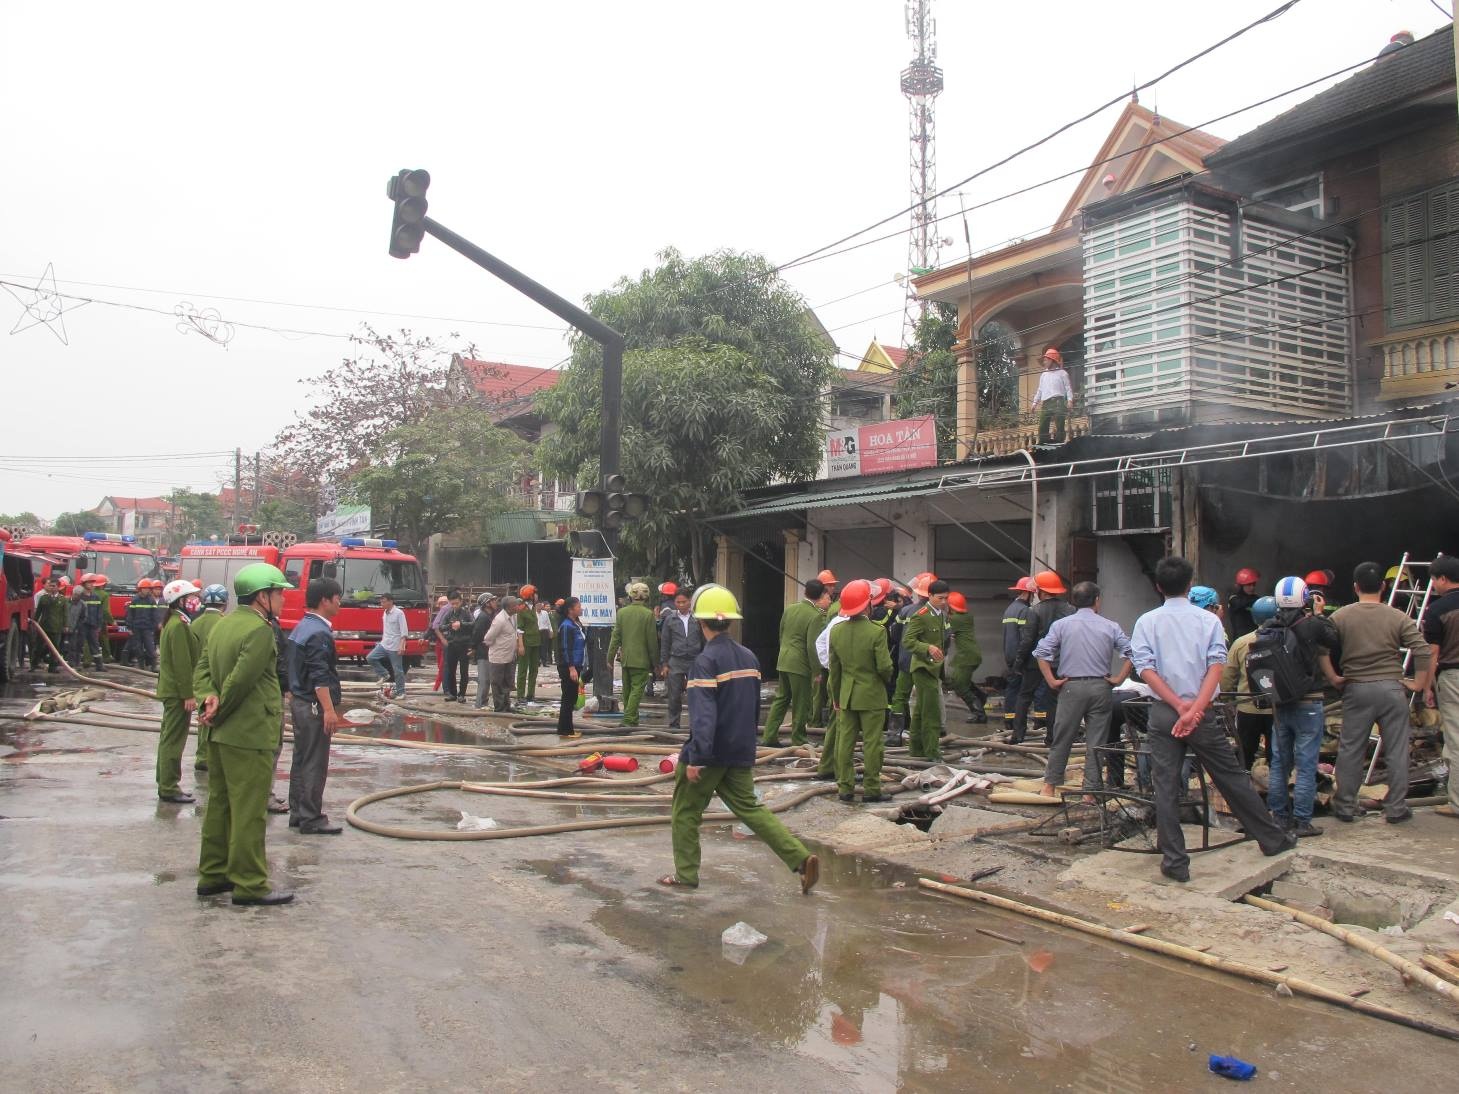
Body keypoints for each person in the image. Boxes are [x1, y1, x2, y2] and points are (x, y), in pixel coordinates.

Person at [1130, 556, 1294, 883]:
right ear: (1189, 585)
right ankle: (1271, 839)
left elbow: (1146, 670)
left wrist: (1178, 706)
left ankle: (1175, 860)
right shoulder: (1208, 622)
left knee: (1165, 784)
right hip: (1201, 712)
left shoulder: (1146, 621)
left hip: (1165, 713)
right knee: (1230, 776)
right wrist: (1194, 709)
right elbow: (1215, 667)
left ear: (1159, 587)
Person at [658, 584, 819, 893]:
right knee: (751, 809)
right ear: (730, 621)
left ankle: (686, 875)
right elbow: (750, 707)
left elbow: (704, 717)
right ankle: (800, 858)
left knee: (685, 812)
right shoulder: (749, 657)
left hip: (712, 753)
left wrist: (696, 758)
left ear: (701, 622)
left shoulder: (704, 663)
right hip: (742, 749)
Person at [194, 562, 296, 906]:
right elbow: (241, 680)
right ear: (262, 597)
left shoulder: (222, 626)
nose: (282, 599)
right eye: (278, 593)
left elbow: (203, 670)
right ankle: (250, 884)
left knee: (220, 807)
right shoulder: (259, 631)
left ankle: (213, 874)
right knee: (249, 811)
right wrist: (218, 708)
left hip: (220, 736)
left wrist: (206, 700)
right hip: (248, 733)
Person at [1330, 562, 1430, 824]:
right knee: (1396, 749)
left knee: (1351, 748)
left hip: (1356, 688)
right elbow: (1422, 649)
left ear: (1355, 587)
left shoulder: (1340, 617)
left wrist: (1333, 678)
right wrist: (1418, 683)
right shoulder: (1398, 617)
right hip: (1391, 688)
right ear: (1383, 587)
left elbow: (1319, 649)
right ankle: (1396, 808)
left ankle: (1345, 806)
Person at [1033, 581, 1132, 798]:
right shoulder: (1110, 626)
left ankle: (1049, 786)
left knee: (1062, 737)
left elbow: (1041, 653)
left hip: (1071, 686)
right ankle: (1090, 791)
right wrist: (1118, 679)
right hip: (1101, 687)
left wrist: (1051, 680)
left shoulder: (1062, 625)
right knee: (1096, 742)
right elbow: (1131, 653)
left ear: (1073, 602)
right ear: (1097, 600)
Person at [1264, 576, 1339, 838]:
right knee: (1306, 765)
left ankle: (1279, 818)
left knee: (1279, 764)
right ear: (1304, 598)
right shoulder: (1312, 626)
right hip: (1308, 703)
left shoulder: (1269, 627)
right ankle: (1303, 821)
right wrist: (1319, 614)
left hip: (1280, 703)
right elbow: (1334, 639)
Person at [286, 577, 345, 835]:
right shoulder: (319, 632)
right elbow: (319, 675)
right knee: (314, 761)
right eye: (337, 598)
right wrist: (329, 710)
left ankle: (298, 812)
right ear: (325, 600)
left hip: (299, 701)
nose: (339, 603)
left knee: (301, 757)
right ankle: (311, 818)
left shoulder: (301, 627)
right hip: (312, 705)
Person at [828, 579, 893, 804]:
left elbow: (833, 671)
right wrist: (885, 680)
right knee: (872, 744)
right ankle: (871, 789)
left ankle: (845, 788)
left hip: (846, 696)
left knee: (844, 743)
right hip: (872, 696)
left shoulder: (836, 632)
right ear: (868, 605)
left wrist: (836, 697)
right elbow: (885, 666)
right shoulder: (877, 632)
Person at [761, 579, 829, 747]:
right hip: (800, 665)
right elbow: (812, 646)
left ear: (805, 591)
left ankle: (769, 735)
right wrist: (817, 671)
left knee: (781, 699)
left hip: (784, 659)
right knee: (801, 702)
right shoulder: (815, 616)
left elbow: (781, 633)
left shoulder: (790, 609)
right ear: (820, 595)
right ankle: (798, 738)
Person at [1010, 572, 1074, 744]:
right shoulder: (1070, 610)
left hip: (1035, 662)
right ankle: (1052, 738)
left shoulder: (1034, 611)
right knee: (1054, 699)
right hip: (1059, 661)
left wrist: (1018, 662)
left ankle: (1018, 735)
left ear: (1042, 591)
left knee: (1024, 696)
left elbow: (1027, 640)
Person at [155, 580, 203, 804]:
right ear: (180, 601)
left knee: (169, 738)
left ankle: (166, 782)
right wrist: (188, 694)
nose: (195, 600)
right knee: (173, 740)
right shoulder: (178, 625)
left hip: (172, 690)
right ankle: (169, 786)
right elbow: (182, 664)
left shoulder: (175, 622)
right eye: (191, 596)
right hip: (176, 692)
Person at [1421, 555, 1459, 820]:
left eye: (1434, 579)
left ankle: (1457, 803)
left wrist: (1427, 688)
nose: (1433, 585)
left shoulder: (1437, 610)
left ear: (1443, 579)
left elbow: (1432, 655)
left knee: (1456, 741)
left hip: (1453, 677)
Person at [1221, 595, 1278, 770]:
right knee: (1276, 758)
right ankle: (1275, 792)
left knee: (1244, 755)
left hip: (1247, 707)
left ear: (1254, 617)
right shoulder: (1286, 640)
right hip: (1277, 708)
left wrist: (1228, 702)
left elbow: (1226, 679)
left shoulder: (1241, 642)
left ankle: (1243, 792)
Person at [901, 579, 951, 760]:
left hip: (935, 669)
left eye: (946, 598)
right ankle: (932, 752)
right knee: (932, 712)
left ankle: (916, 749)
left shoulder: (942, 614)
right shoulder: (921, 615)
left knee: (922, 711)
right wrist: (927, 648)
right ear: (929, 596)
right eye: (940, 598)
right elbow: (907, 641)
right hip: (923, 668)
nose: (944, 602)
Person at [888, 572, 936, 744]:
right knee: (926, 698)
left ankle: (894, 735)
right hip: (926, 663)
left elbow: (895, 634)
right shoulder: (937, 614)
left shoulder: (906, 611)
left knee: (900, 696)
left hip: (905, 660)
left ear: (918, 593)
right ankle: (923, 735)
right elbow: (945, 639)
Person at [607, 582, 659, 727]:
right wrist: (656, 663)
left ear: (630, 595)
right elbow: (652, 642)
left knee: (627, 691)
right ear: (646, 597)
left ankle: (632, 719)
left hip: (626, 660)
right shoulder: (648, 615)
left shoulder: (622, 613)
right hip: (642, 661)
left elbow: (615, 637)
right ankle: (628, 719)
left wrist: (609, 658)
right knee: (637, 691)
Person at [658, 589, 703, 729]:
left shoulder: (698, 618)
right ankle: (674, 724)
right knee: (674, 695)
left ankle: (696, 724)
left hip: (695, 660)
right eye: (678, 602)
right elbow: (665, 642)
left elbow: (704, 640)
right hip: (675, 661)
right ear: (674, 603)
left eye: (684, 602)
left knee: (695, 694)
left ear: (690, 601)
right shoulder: (670, 619)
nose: (681, 605)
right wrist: (664, 664)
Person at [944, 591, 988, 724]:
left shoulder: (954, 619)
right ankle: (980, 696)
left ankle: (979, 714)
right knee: (959, 680)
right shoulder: (967, 616)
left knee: (959, 685)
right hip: (970, 654)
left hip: (966, 656)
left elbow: (942, 630)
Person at [1000, 577, 1035, 738]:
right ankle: (1021, 723)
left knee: (1012, 688)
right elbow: (1026, 637)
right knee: (1024, 692)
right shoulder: (1025, 611)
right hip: (1020, 656)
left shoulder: (1010, 609)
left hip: (1009, 654)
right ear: (1028, 593)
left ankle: (1009, 718)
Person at [364, 590, 408, 700]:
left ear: (390, 602)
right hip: (384, 644)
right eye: (381, 602)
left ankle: (401, 692)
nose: (381, 604)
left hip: (395, 645)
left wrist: (402, 645)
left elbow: (404, 631)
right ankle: (384, 674)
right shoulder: (385, 612)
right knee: (370, 657)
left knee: (398, 670)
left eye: (384, 602)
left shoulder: (399, 613)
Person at [483, 594, 523, 712]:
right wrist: (498, 647)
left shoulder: (514, 616)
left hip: (509, 656)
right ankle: (499, 708)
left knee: (507, 683)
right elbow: (488, 638)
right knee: (497, 683)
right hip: (498, 657)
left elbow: (514, 632)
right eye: (516, 605)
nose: (518, 607)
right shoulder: (500, 620)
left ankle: (507, 705)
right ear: (509, 607)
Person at [1030, 346, 1074, 445]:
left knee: (1060, 422)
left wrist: (1070, 401)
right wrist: (1034, 404)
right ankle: (1043, 443)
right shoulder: (1044, 375)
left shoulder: (1062, 373)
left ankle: (1059, 443)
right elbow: (1040, 390)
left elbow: (1068, 388)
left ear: (1052, 360)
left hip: (1059, 401)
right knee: (1042, 424)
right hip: (1046, 403)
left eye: (1046, 360)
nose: (1044, 362)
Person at [556, 597, 586, 739]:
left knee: (572, 697)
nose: (581, 608)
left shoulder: (576, 624)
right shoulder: (566, 626)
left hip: (576, 665)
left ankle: (568, 728)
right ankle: (565, 730)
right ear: (570, 610)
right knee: (568, 698)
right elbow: (565, 648)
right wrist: (571, 668)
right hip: (568, 666)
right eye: (578, 606)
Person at [441, 589, 474, 703]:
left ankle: (462, 694)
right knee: (450, 670)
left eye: (456, 603)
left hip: (464, 644)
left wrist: (461, 624)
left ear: (461, 601)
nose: (454, 605)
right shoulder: (449, 613)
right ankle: (453, 693)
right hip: (451, 644)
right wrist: (451, 625)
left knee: (464, 671)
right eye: (452, 603)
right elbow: (441, 626)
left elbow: (473, 625)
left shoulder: (466, 613)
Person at [31, 575, 68, 673]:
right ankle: (33, 665)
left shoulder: (63, 599)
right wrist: (34, 622)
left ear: (58, 587)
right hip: (44, 627)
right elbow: (38, 612)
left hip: (56, 627)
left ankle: (53, 667)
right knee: (38, 647)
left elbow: (65, 614)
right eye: (51, 586)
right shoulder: (43, 598)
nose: (52, 588)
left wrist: (65, 625)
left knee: (55, 649)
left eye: (54, 586)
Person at [514, 584, 541, 701]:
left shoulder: (534, 608)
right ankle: (520, 695)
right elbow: (519, 629)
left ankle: (530, 694)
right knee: (523, 669)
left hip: (536, 642)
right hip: (526, 642)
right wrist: (520, 645)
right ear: (530, 595)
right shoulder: (521, 609)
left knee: (534, 669)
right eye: (535, 593)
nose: (537, 596)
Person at [1228, 568, 1262, 639]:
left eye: (1253, 584)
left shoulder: (1256, 598)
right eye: (1249, 585)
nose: (1252, 587)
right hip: (1240, 638)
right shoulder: (1234, 598)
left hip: (1255, 637)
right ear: (1240, 586)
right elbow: (1239, 604)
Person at [430, 593, 450, 692]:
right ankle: (442, 685)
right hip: (439, 642)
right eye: (441, 603)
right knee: (440, 666)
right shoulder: (438, 616)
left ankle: (437, 686)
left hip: (446, 642)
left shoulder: (451, 613)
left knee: (443, 665)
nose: (443, 605)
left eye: (444, 603)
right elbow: (431, 628)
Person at [537, 599, 554, 667]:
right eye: (538, 606)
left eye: (540, 605)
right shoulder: (534, 613)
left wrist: (551, 630)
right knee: (538, 647)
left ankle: (544, 662)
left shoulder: (545, 613)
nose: (539, 607)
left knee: (545, 647)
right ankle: (537, 661)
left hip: (545, 631)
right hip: (537, 631)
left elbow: (548, 623)